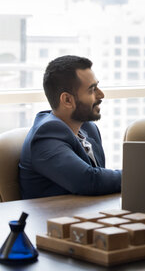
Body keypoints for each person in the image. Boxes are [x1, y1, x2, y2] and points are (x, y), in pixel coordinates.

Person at [19, 55, 121, 199]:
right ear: (67, 100)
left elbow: (101, 180)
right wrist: (138, 176)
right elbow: (89, 180)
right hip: (53, 219)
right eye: (92, 90)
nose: (101, 94)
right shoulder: (46, 135)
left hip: (88, 214)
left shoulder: (88, 128)